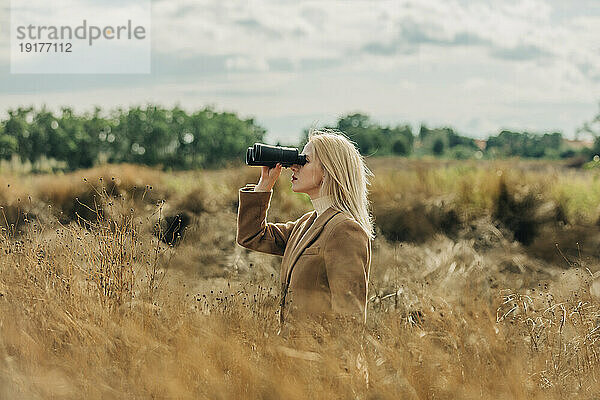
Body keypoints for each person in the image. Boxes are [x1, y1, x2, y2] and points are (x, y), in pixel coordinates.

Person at [236, 130, 374, 331]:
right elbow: (252, 236)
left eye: (304, 161)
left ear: (328, 170)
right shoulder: (305, 225)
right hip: (292, 357)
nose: (294, 166)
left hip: (319, 357)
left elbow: (349, 319)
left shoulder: (344, 230)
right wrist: (265, 184)